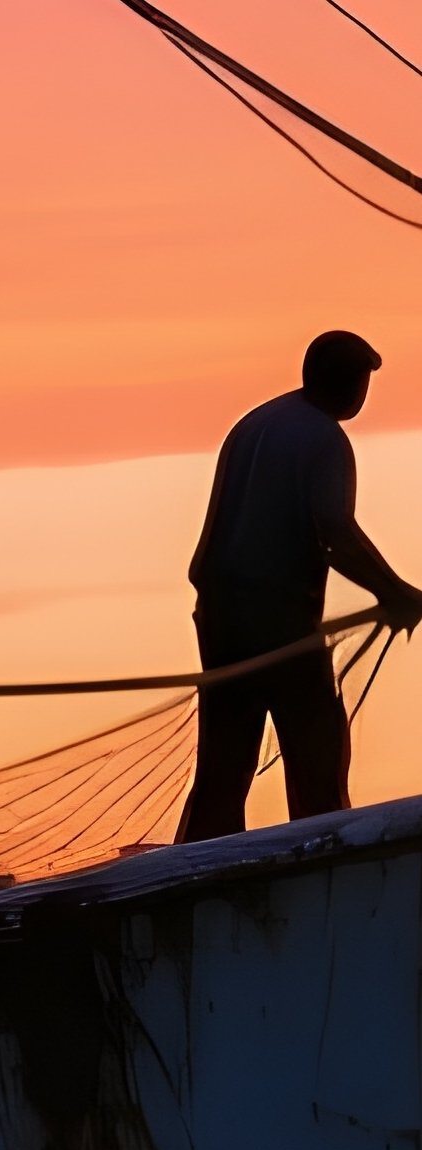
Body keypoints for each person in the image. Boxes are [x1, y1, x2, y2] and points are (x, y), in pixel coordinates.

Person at [177, 330, 422, 842]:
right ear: (349, 385)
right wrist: (394, 592)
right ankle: (323, 854)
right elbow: (334, 532)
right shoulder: (324, 438)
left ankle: (197, 860)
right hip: (278, 621)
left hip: (219, 615)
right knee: (318, 750)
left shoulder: (257, 424)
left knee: (224, 761)